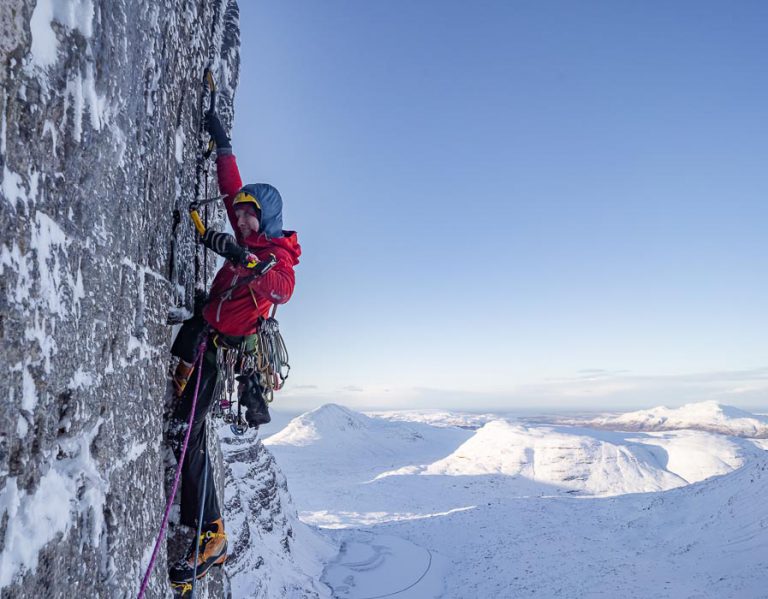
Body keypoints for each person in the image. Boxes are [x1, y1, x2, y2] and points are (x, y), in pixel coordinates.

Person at [167, 110, 301, 587]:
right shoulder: (248, 232)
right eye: (239, 216)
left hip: (221, 352)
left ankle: (212, 533)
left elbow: (282, 287)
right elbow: (231, 187)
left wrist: (248, 258)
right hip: (203, 332)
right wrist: (222, 140)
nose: (240, 220)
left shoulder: (277, 256)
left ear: (266, 221)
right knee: (186, 421)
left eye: (249, 216)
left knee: (188, 430)